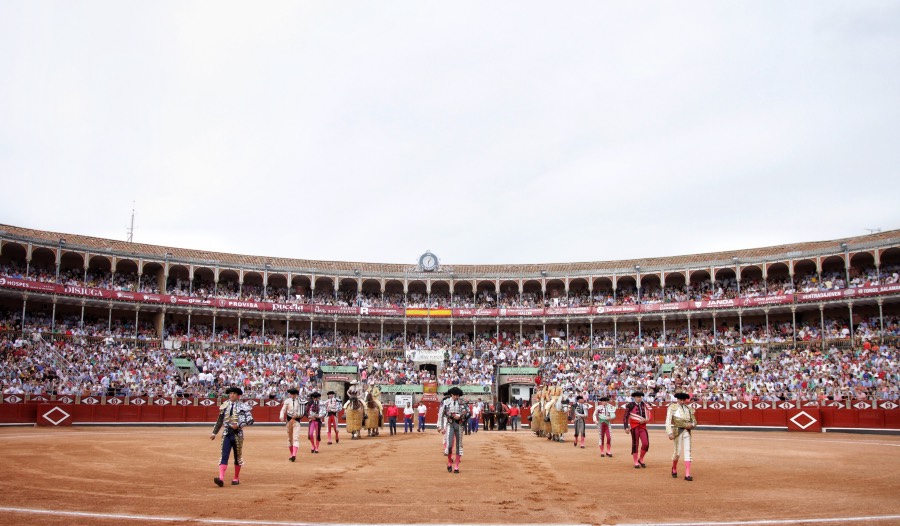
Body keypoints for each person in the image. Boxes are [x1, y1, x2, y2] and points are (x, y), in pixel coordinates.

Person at [210, 386, 254, 486]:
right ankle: (221, 478)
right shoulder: (224, 406)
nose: (231, 395)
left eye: (234, 393)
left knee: (237, 457)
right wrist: (214, 433)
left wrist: (239, 425)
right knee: (224, 456)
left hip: (238, 434)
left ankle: (236, 478)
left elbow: (250, 420)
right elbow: (220, 420)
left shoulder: (243, 406)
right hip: (227, 433)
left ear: (238, 396)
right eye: (230, 393)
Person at [666, 392, 698, 481]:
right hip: (677, 431)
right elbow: (668, 421)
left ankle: (687, 474)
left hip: (687, 432)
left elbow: (694, 421)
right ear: (677, 399)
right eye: (681, 400)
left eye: (684, 400)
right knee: (677, 453)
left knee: (688, 452)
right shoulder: (672, 407)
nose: (683, 402)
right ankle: (674, 468)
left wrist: (691, 425)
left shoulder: (689, 409)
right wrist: (669, 432)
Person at [442, 386, 470, 473]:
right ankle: (450, 462)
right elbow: (442, 413)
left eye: (457, 395)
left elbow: (468, 412)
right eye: (454, 395)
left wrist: (460, 416)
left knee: (459, 445)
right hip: (450, 424)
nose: (456, 397)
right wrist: (440, 426)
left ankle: (456, 466)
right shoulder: (446, 402)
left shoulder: (463, 402)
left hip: (460, 425)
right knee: (449, 445)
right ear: (451, 394)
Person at [623, 391, 653, 469]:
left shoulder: (645, 405)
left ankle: (641, 459)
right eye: (637, 397)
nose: (638, 398)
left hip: (643, 427)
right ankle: (636, 461)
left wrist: (645, 420)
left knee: (646, 444)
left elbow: (649, 415)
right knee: (635, 444)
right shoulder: (630, 405)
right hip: (634, 427)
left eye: (640, 397)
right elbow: (625, 417)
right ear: (634, 398)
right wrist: (626, 427)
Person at [278, 387, 304, 461]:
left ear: (296, 394)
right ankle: (292, 454)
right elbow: (283, 410)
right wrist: (281, 416)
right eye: (291, 394)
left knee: (295, 437)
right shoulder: (287, 401)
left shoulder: (300, 401)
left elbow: (301, 412)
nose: (293, 395)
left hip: (296, 421)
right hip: (289, 421)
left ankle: (294, 455)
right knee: (290, 439)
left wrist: (298, 415)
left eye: (294, 394)